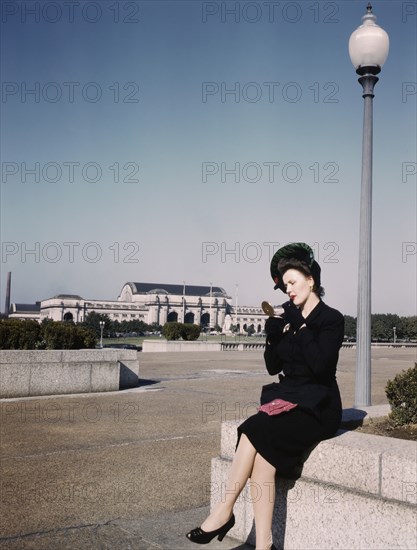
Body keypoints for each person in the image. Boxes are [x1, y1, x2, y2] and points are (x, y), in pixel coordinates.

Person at [186, 243, 344, 550]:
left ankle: (223, 511)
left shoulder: (331, 319)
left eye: (293, 283)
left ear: (311, 281)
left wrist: (299, 324)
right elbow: (274, 367)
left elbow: (320, 365)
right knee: (262, 462)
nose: (288, 290)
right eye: (285, 286)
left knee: (254, 427)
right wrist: (273, 336)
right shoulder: (287, 317)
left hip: (319, 404)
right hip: (289, 397)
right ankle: (264, 545)